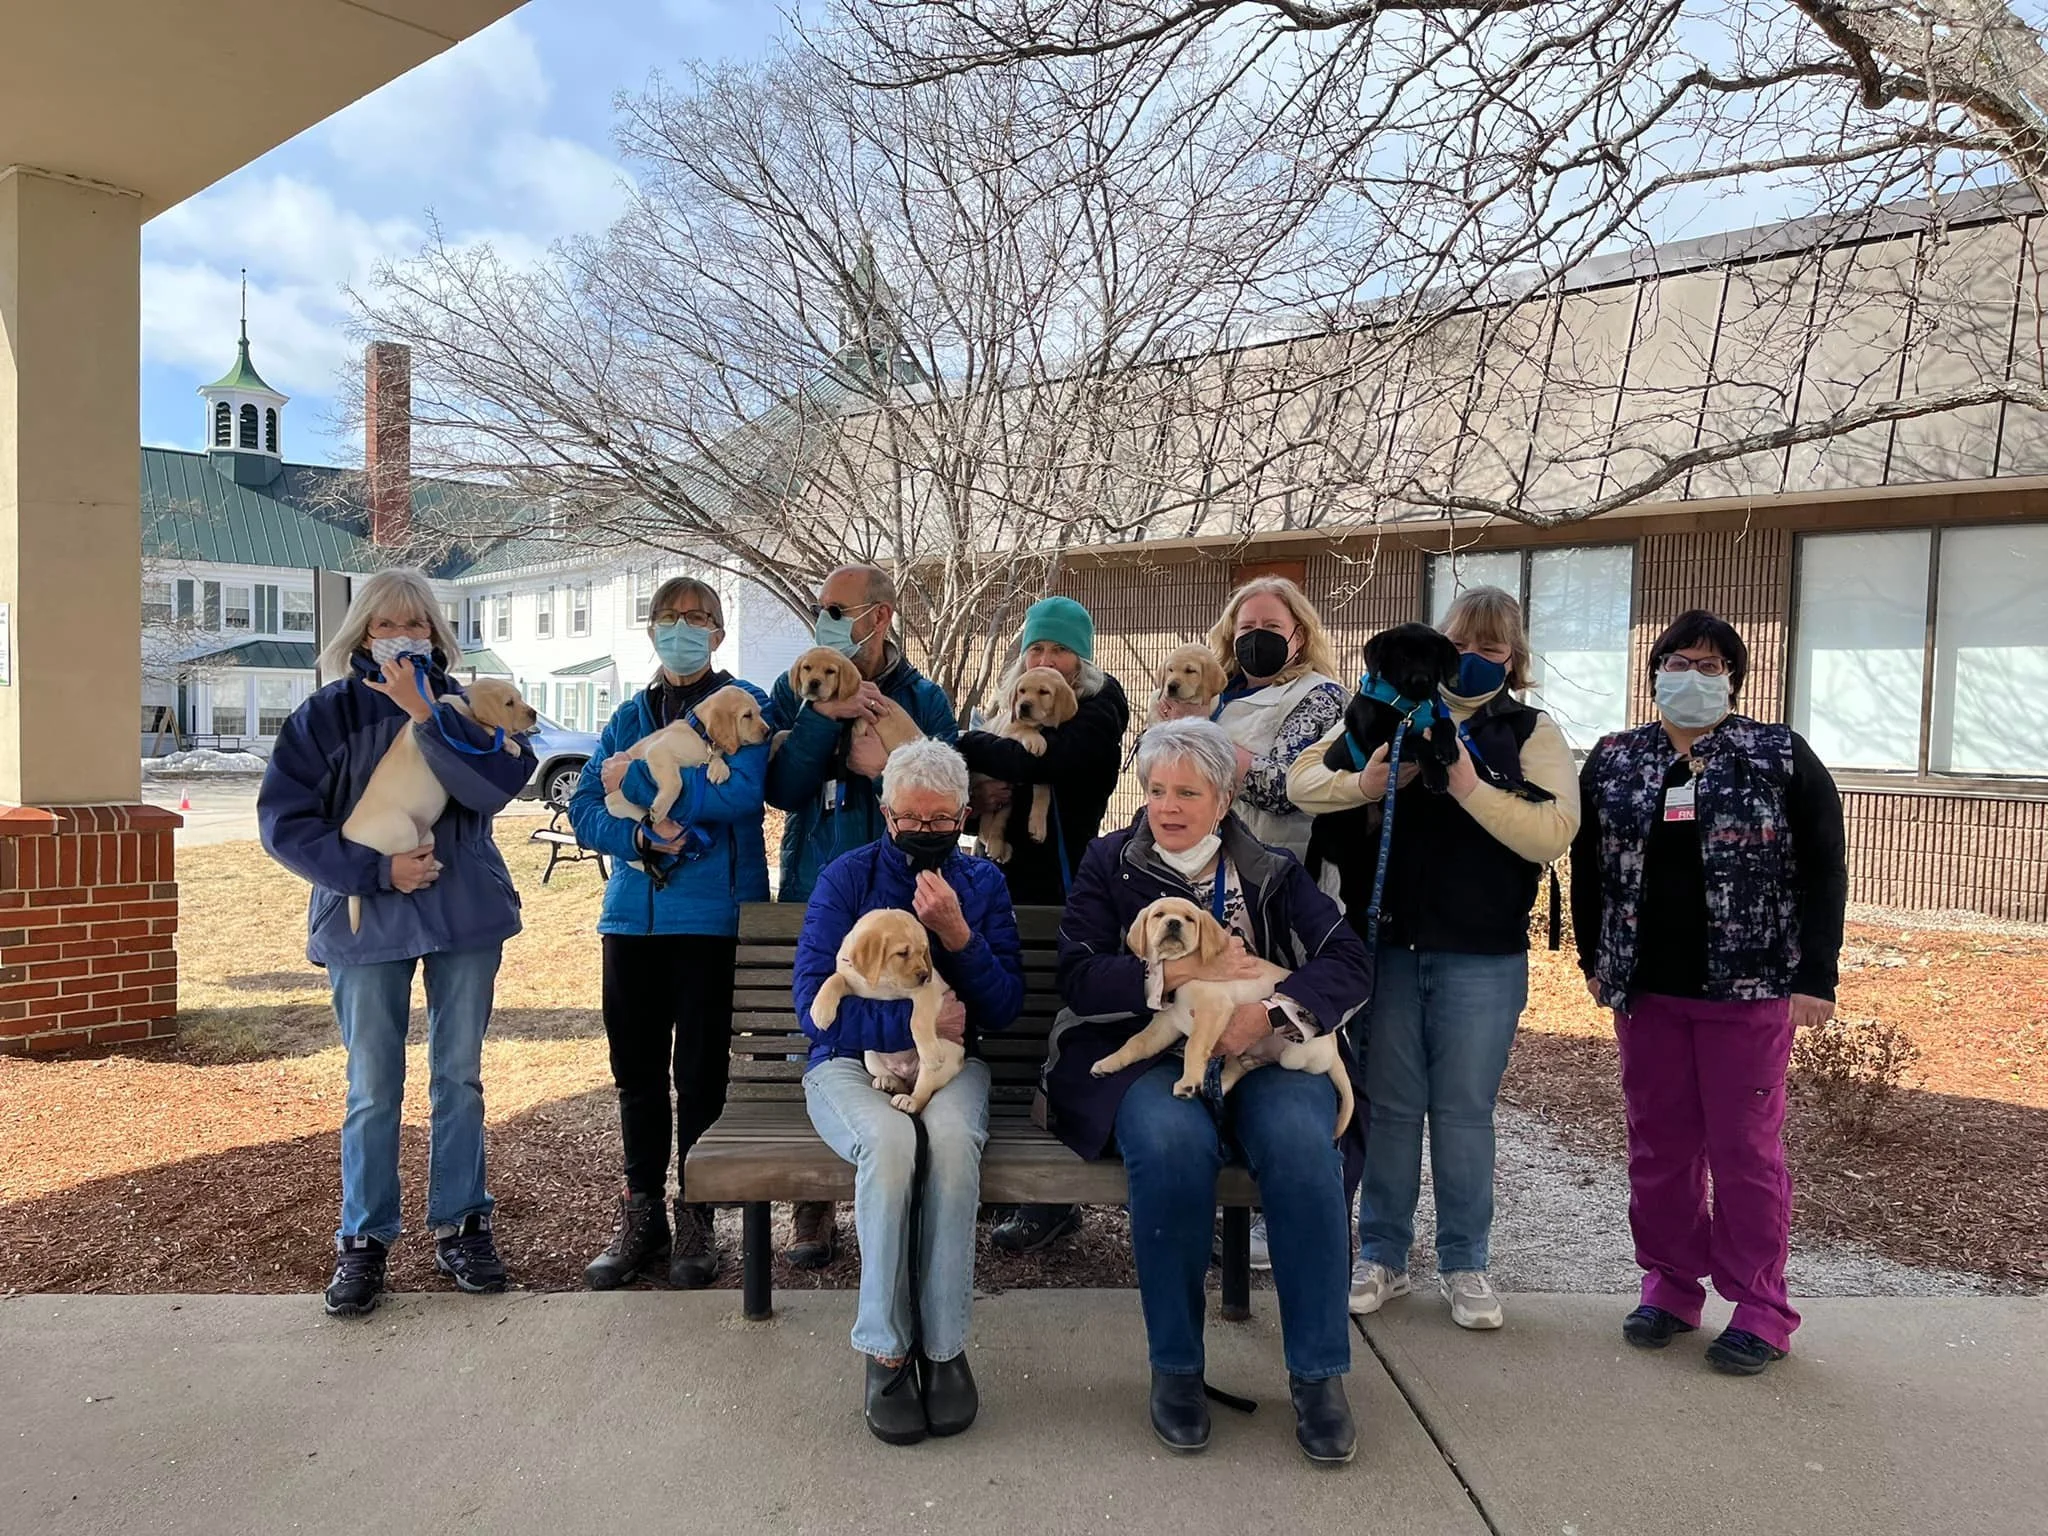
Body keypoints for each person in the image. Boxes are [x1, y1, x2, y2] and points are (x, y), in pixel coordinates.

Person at [1047, 720, 1370, 1465]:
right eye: (1156, 789)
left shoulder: (1272, 870)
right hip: (1149, 1060)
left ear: (1223, 799)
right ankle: (1177, 1370)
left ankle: (1319, 1374)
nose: (1167, 805)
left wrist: (1269, 1011)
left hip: (1263, 1049)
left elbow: (1349, 962)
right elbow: (1079, 974)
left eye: (1187, 791)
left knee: (1300, 1143)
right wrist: (1174, 976)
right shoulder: (1109, 865)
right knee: (1169, 1143)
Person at [1288, 588, 1580, 1332]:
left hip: (1481, 956)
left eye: (1494, 649)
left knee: (1463, 1113)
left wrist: (1469, 785)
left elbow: (1551, 833)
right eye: (1463, 644)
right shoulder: (1386, 710)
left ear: (1513, 660)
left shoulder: (1529, 730)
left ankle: (1465, 1262)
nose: (1476, 660)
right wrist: (1370, 781)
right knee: (1387, 1109)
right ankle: (1381, 1252)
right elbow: (1302, 781)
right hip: (1386, 944)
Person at [1571, 610, 1845, 1377]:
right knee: (1659, 1146)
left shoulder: (1778, 755)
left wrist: (1815, 976)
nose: (1692, 676)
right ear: (1655, 671)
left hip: (1749, 989)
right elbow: (1589, 863)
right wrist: (1596, 958)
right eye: (1678, 662)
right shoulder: (1617, 759)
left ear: (1734, 679)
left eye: (1710, 665)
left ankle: (1761, 1306)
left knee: (1746, 1152)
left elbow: (1826, 866)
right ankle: (1669, 1284)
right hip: (1647, 991)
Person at [258, 569, 534, 1318]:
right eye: (386, 625)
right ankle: (364, 1240)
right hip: (365, 917)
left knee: (460, 1078)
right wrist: (377, 870)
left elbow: (498, 786)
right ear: (362, 633)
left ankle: (462, 1224)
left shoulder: (469, 703)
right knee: (373, 1088)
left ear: (437, 633)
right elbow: (284, 821)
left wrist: (426, 715)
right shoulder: (325, 716)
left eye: (416, 623)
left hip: (464, 913)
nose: (402, 636)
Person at [794, 740, 1024, 1445]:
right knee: (891, 1146)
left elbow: (1004, 1007)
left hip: (947, 1064)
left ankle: (945, 1347)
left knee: (951, 1144)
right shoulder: (848, 878)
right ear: (886, 812)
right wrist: (906, 1016)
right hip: (849, 1062)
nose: (925, 831)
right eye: (910, 818)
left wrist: (958, 933)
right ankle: (886, 1349)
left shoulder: (981, 885)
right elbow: (814, 1006)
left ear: (963, 813)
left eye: (940, 819)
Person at [567, 578, 771, 1292]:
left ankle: (698, 1216)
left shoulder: (742, 702)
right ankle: (642, 1214)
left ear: (718, 633)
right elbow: (585, 806)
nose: (682, 629)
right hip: (631, 915)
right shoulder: (628, 713)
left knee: (702, 1074)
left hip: (711, 919)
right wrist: (644, 837)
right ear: (650, 630)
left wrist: (650, 790)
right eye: (669, 618)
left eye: (698, 619)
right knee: (637, 1074)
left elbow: (745, 791)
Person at [766, 563, 958, 1268]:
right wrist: (823, 719)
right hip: (818, 878)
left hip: (901, 888)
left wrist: (886, 755)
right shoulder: (805, 687)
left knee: (898, 1031)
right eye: (821, 609)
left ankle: (900, 1192)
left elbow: (942, 785)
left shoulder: (922, 698)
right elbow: (783, 787)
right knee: (817, 1035)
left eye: (837, 610)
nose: (825, 621)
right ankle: (811, 1207)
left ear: (878, 618)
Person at [956, 595, 1131, 1256]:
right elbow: (982, 790)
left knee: (1050, 1036)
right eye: (1036, 647)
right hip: (996, 879)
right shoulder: (1013, 701)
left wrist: (967, 743)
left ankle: (1054, 1199)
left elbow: (1044, 762)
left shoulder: (1100, 706)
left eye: (1059, 649)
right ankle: (996, 1181)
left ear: (1079, 659)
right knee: (994, 1023)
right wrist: (981, 795)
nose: (1046, 659)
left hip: (1064, 886)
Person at [1158, 577, 1343, 862]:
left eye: (1272, 626)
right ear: (1232, 635)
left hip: (1278, 869)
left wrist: (1202, 731)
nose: (1258, 637)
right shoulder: (1213, 689)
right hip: (1199, 858)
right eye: (1247, 627)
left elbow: (1286, 789)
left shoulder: (1319, 696)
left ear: (1300, 636)